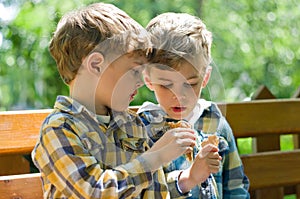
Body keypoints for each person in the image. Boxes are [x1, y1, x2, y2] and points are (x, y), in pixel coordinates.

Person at [31, 3, 220, 198]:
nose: (142, 81)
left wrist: (188, 179)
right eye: (135, 71)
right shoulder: (60, 129)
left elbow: (151, 190)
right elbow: (95, 192)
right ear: (96, 65)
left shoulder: (131, 125)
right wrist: (155, 157)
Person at [137, 13, 250, 199]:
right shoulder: (142, 129)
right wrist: (187, 179)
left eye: (190, 83)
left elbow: (235, 187)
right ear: (148, 80)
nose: (179, 95)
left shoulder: (216, 123)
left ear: (205, 78)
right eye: (166, 85)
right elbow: (142, 191)